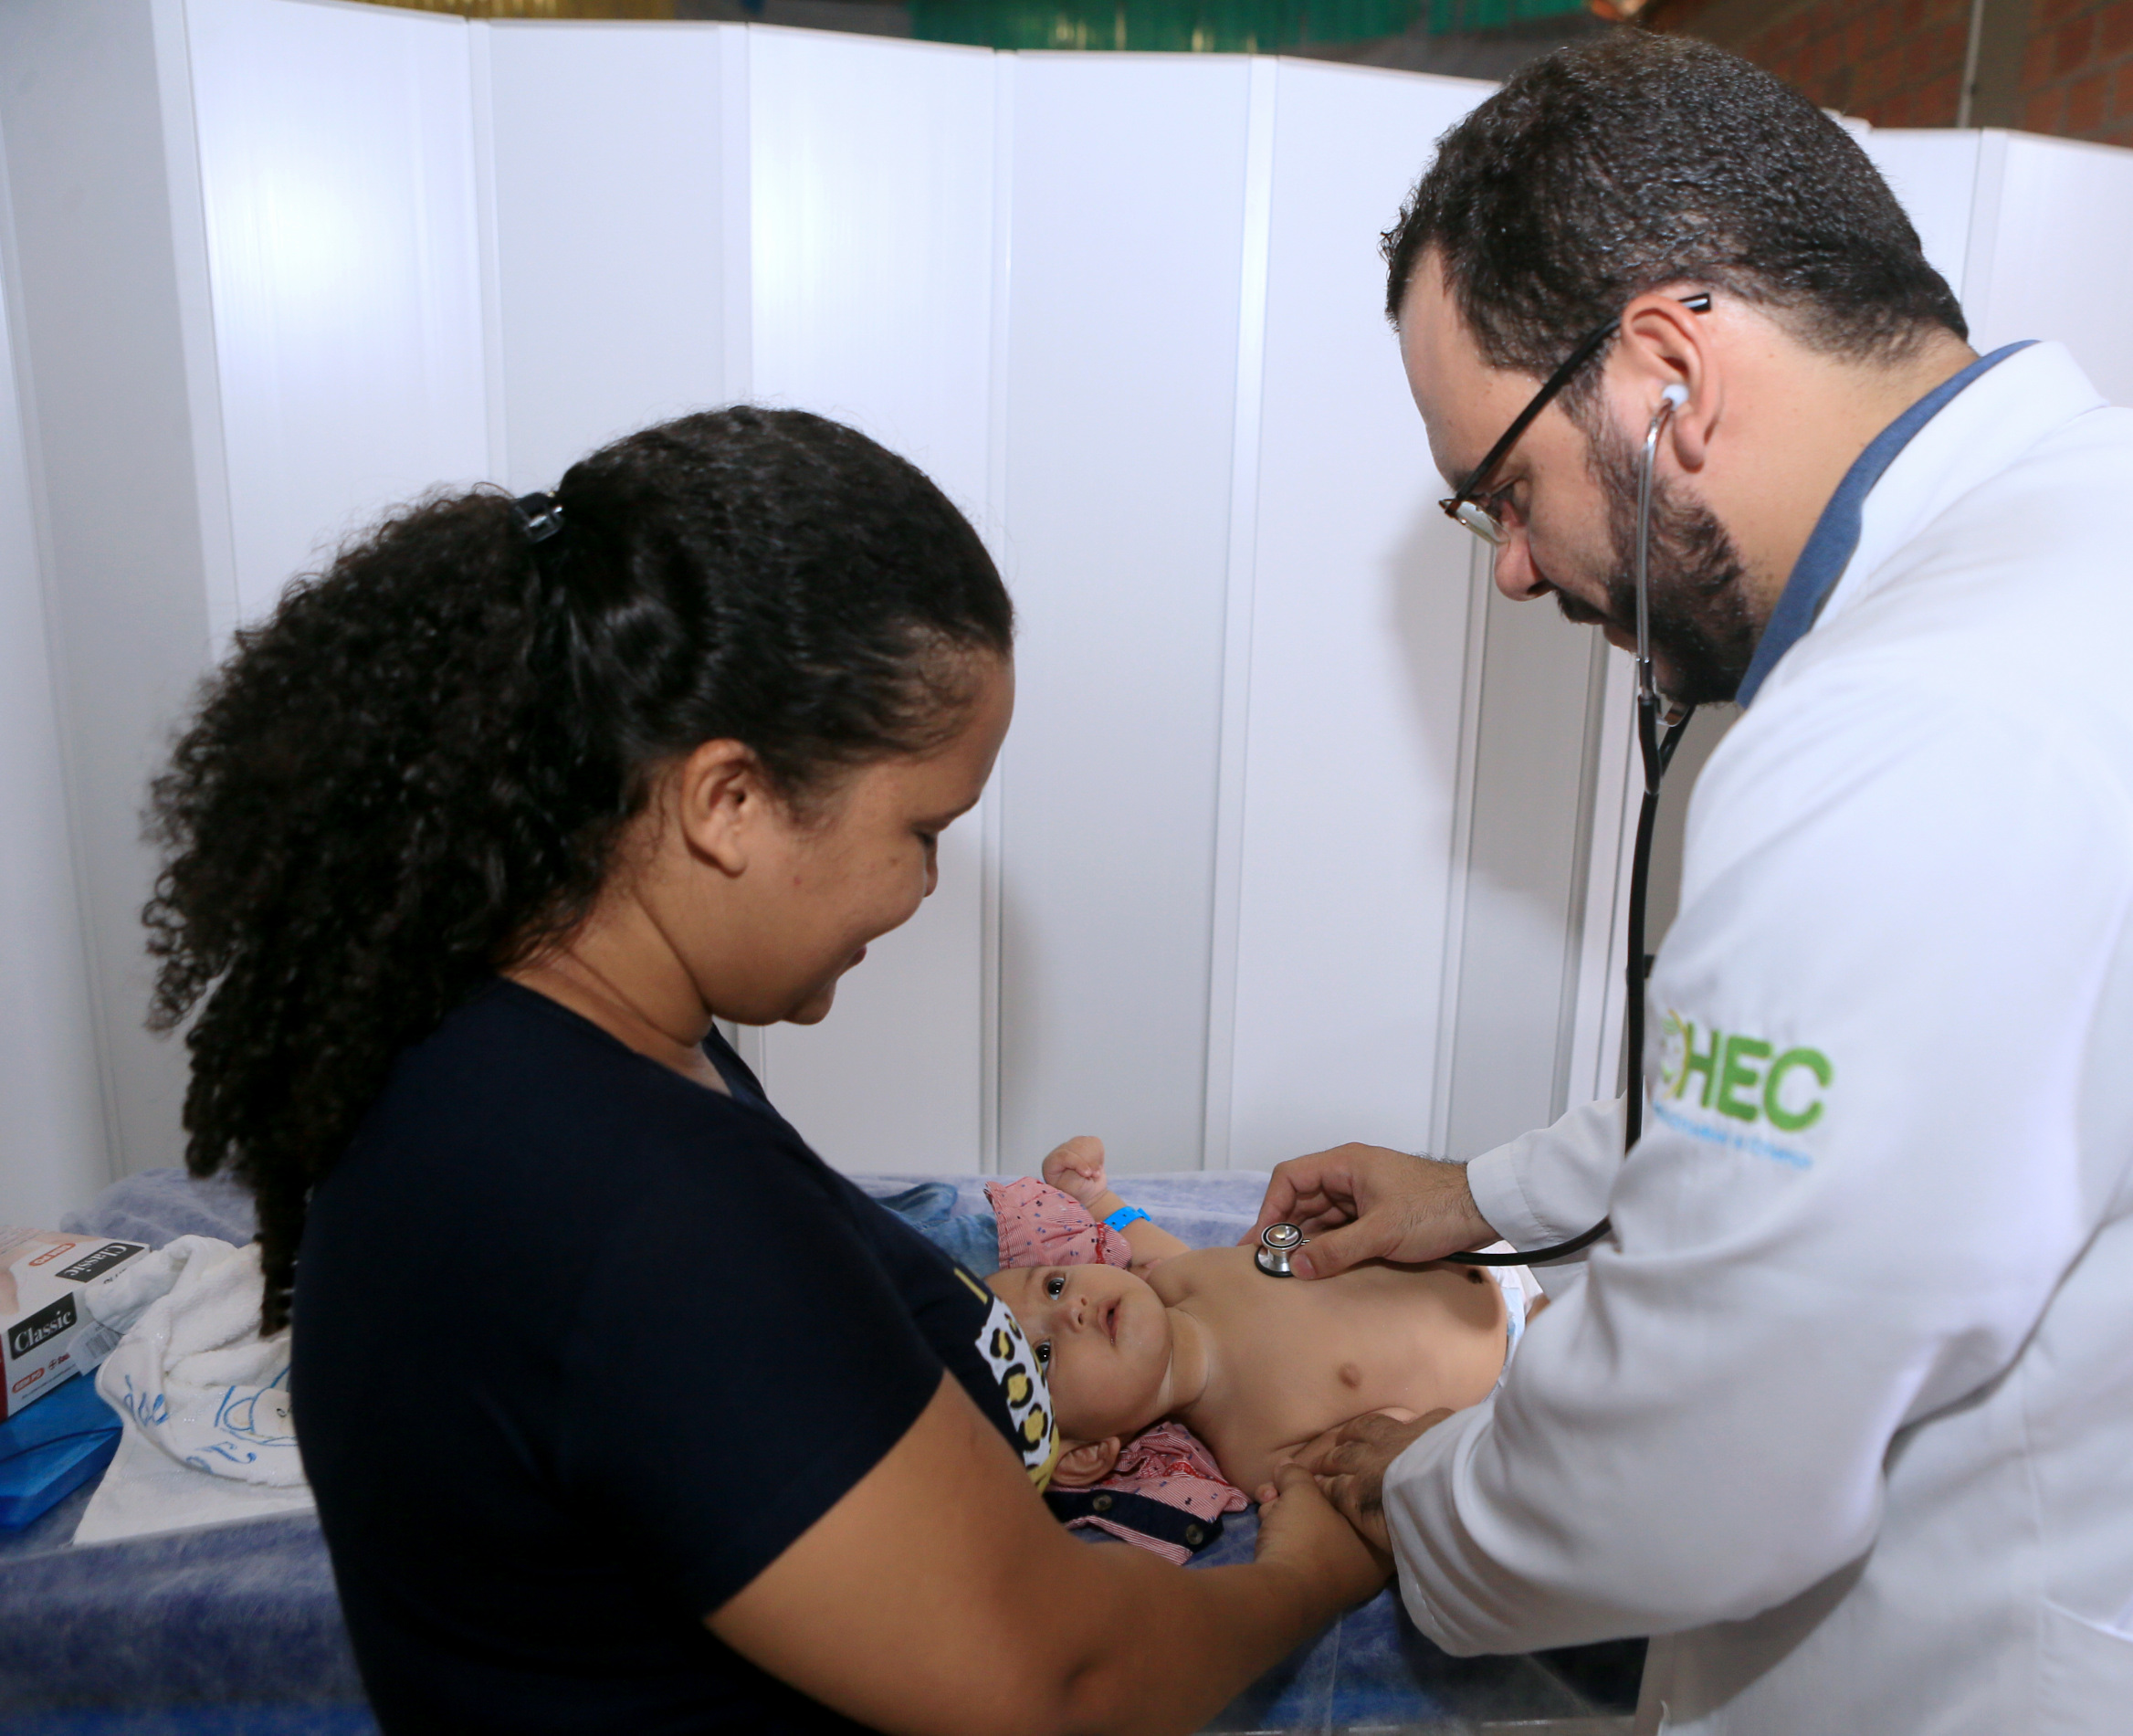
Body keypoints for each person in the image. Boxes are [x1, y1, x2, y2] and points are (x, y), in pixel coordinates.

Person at [1255, 36, 2133, 1736]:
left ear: (1664, 376)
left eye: (1505, 489)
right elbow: (1945, 1112)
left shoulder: (1909, 730)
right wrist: (1488, 1193)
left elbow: (1691, 1477)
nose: (1511, 568)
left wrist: (1416, 1495)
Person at [144, 407, 1382, 1734]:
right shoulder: (631, 1209)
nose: (923, 885)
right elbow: (1066, 1680)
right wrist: (1312, 1569)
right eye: (923, 829)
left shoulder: (547, 1035)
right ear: (726, 800)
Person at [987, 1138, 1512, 1492]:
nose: (1071, 1312)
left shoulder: (1174, 1277)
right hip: (1513, 1361)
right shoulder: (1257, 1452)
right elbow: (1386, 1461)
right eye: (1043, 1355)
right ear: (1083, 1455)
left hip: (1483, 1233)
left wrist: (1092, 1193)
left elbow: (1132, 1229)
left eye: (1055, 1286)